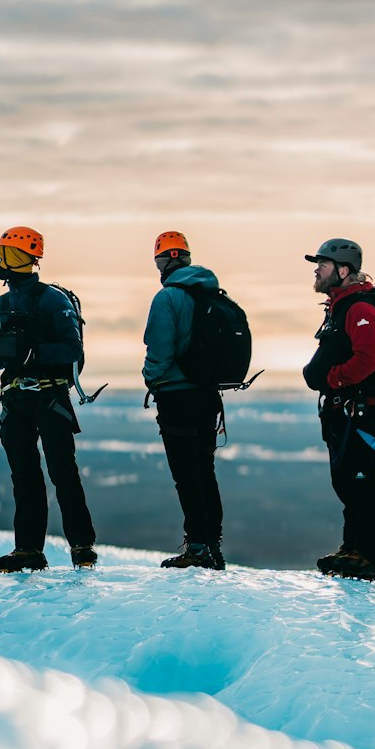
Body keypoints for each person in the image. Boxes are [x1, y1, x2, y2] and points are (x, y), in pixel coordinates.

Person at [0, 226, 97, 572]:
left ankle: (81, 546)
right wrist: (13, 352)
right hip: (19, 399)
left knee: (61, 472)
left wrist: (32, 351)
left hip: (48, 397)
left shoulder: (52, 300)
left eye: (2, 255)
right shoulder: (0, 305)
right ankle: (29, 549)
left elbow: (72, 348)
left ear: (17, 258)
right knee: (27, 476)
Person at [303, 238, 375, 581]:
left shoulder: (360, 309)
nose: (316, 270)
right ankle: (352, 548)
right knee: (347, 482)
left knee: (360, 481)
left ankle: (365, 556)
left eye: (322, 264)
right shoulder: (340, 306)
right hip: (342, 411)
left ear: (343, 270)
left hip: (358, 410)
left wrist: (334, 380)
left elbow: (367, 360)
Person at [143, 230, 226, 570]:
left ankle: (198, 547)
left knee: (185, 474)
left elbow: (158, 350)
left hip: (176, 395)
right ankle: (211, 544)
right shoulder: (211, 294)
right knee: (205, 469)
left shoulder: (167, 298)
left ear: (163, 261)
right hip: (208, 395)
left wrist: (152, 378)